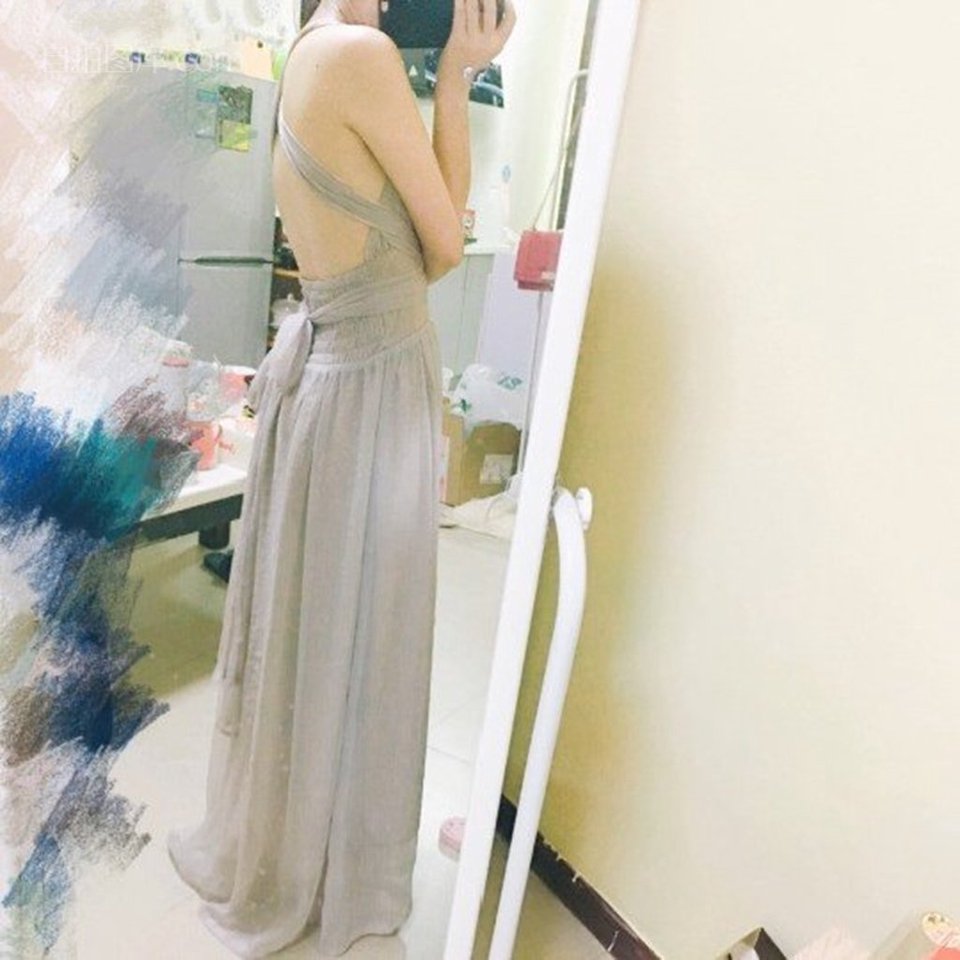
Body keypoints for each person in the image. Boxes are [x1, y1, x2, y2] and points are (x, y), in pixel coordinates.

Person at [167, 1, 515, 957]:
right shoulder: (360, 55)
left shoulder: (313, 54)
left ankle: (304, 850)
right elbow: (444, 248)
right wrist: (454, 79)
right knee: (367, 630)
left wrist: (450, 80)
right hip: (371, 380)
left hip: (342, 374)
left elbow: (424, 244)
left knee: (323, 627)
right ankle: (331, 868)